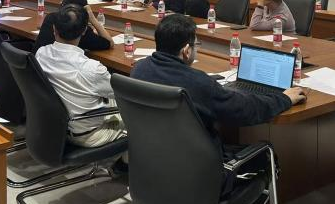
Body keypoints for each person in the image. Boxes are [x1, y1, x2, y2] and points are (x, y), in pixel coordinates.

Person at [131, 14, 306, 194]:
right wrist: (284, 98)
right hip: (200, 178)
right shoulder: (198, 83)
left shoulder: (139, 69)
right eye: (196, 45)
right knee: (266, 156)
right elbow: (244, 110)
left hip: (153, 166)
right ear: (186, 51)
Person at [35, 4, 127, 158]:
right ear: (84, 31)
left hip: (57, 127)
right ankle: (124, 165)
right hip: (88, 134)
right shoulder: (92, 68)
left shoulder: (41, 54)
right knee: (139, 118)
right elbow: (124, 95)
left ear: (54, 29)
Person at [33, 0, 113, 53]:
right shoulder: (80, 26)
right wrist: (93, 19)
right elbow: (109, 43)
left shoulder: (51, 18)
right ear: (84, 31)